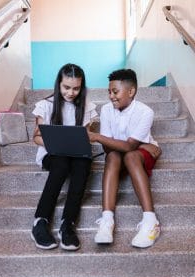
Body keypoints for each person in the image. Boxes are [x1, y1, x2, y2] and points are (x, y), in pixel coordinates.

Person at [88, 68, 162, 248]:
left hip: (139, 156)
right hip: (122, 152)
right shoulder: (106, 110)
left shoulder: (146, 112)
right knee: (113, 156)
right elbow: (108, 148)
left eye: (115, 92)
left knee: (130, 156)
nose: (111, 96)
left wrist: (97, 136)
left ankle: (151, 221)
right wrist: (135, 144)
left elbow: (129, 147)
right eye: (109, 92)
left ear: (131, 91)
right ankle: (107, 220)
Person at [31, 63, 97, 251]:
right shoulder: (45, 105)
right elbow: (36, 137)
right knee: (61, 163)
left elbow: (85, 137)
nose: (70, 92)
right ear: (58, 84)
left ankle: (68, 224)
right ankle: (40, 221)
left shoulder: (87, 107)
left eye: (76, 88)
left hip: (75, 155)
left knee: (83, 163)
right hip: (51, 154)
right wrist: (55, 145)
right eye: (66, 87)